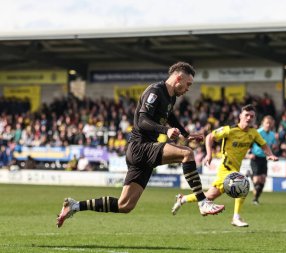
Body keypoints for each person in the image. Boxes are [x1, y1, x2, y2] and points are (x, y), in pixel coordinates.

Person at [56, 62, 225, 228]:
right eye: (188, 84)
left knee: (125, 205)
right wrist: (165, 131)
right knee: (187, 154)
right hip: (140, 147)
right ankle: (203, 202)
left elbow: (170, 117)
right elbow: (142, 121)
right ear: (178, 77)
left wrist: (187, 135)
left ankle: (75, 206)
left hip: (143, 152)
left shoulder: (171, 97)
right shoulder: (155, 91)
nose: (188, 88)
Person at [171, 105, 278, 227]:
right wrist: (209, 154)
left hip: (235, 168)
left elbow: (264, 145)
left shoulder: (253, 133)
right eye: (246, 115)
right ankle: (236, 217)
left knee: (210, 196)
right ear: (240, 116)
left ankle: (183, 199)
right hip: (225, 167)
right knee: (242, 185)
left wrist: (270, 154)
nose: (249, 118)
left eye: (252, 116)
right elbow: (210, 137)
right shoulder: (229, 130)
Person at [249, 115, 277, 205]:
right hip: (255, 157)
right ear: (263, 123)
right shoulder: (258, 132)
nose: (268, 125)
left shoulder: (272, 135)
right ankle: (251, 176)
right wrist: (250, 153)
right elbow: (249, 142)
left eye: (270, 123)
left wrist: (271, 154)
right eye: (267, 123)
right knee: (257, 180)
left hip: (264, 158)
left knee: (263, 179)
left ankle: (255, 199)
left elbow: (272, 145)